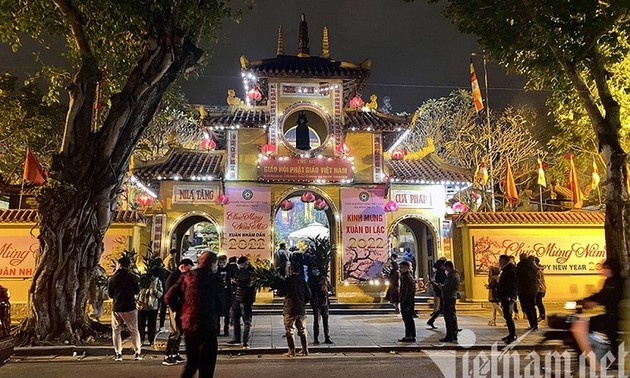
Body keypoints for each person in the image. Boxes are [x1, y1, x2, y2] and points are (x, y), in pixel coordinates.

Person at [165, 252, 224, 378]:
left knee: (192, 362)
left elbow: (169, 297)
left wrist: (182, 310)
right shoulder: (215, 280)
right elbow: (222, 304)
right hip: (208, 324)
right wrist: (219, 312)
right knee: (207, 364)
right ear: (213, 264)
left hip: (189, 324)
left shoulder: (186, 277)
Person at [571, 259, 625, 369]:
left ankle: (613, 356)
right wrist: (585, 300)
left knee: (608, 330)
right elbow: (601, 294)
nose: (603, 271)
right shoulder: (608, 281)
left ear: (612, 269)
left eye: (606, 268)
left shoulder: (620, 282)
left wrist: (596, 303)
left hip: (618, 315)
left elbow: (613, 297)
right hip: (609, 313)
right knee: (591, 323)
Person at [107, 256, 142, 361]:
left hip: (117, 307)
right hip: (130, 306)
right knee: (134, 330)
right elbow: (137, 291)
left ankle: (118, 353)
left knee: (116, 330)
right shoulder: (133, 277)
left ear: (119, 265)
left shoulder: (113, 278)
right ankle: (137, 352)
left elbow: (110, 294)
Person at [162, 258, 193, 366]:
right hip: (174, 307)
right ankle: (167, 355)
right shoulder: (175, 277)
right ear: (183, 266)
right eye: (188, 268)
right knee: (175, 331)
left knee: (180, 330)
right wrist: (173, 307)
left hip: (181, 308)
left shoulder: (182, 276)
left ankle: (175, 352)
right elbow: (169, 294)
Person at [278, 262, 312, 357]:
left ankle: (292, 351)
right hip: (301, 309)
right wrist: (302, 302)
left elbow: (280, 293)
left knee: (289, 329)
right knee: (302, 329)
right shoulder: (302, 281)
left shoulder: (287, 281)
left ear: (290, 270)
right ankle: (305, 350)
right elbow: (309, 295)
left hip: (290, 308)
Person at [228, 256, 256, 347]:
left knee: (246, 322)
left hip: (246, 300)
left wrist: (237, 281)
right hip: (236, 298)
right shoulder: (238, 270)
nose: (241, 266)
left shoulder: (251, 271)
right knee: (235, 319)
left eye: (242, 264)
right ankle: (237, 338)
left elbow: (246, 281)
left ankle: (245, 341)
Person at [137, 267, 164, 346]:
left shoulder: (157, 281)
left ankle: (147, 339)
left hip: (148, 305)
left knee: (146, 323)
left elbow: (160, 293)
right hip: (147, 305)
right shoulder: (146, 281)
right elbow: (160, 294)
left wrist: (156, 292)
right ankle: (146, 339)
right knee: (146, 323)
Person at [497, 254, 518, 344]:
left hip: (508, 296)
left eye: (500, 261)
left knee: (508, 315)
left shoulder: (510, 270)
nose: (499, 262)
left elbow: (512, 284)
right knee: (506, 315)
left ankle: (513, 335)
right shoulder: (506, 269)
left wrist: (509, 295)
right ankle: (511, 334)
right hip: (505, 295)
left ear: (505, 261)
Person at [308, 267, 332, 345]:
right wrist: (319, 286)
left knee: (326, 321)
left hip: (324, 303)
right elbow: (311, 290)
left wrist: (326, 286)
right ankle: (316, 338)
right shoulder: (311, 279)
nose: (315, 271)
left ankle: (327, 337)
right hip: (316, 303)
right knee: (316, 321)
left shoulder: (324, 279)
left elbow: (330, 289)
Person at [437, 261, 460, 342]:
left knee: (448, 317)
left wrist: (440, 286)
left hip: (448, 297)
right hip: (452, 296)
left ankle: (449, 335)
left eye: (446, 268)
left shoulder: (451, 275)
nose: (445, 270)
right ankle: (454, 334)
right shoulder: (456, 274)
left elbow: (447, 287)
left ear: (449, 267)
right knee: (452, 316)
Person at [516, 253, 539, 331]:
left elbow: (518, 278)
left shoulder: (520, 266)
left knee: (526, 308)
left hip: (523, 289)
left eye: (519, 257)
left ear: (521, 258)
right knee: (532, 307)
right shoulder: (533, 266)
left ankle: (532, 324)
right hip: (533, 289)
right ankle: (535, 325)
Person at [398, 261, 416, 343]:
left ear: (406, 267)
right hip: (410, 300)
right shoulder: (410, 276)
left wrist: (401, 299)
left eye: (401, 267)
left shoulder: (406, 277)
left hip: (406, 301)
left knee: (407, 318)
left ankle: (408, 336)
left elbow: (404, 291)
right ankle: (412, 335)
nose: (400, 269)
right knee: (409, 319)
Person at [427, 257, 447, 329]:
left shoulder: (438, 270)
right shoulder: (441, 272)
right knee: (444, 309)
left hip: (439, 290)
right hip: (441, 291)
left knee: (441, 308)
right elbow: (441, 281)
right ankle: (453, 327)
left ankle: (431, 320)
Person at [216, 255, 232, 337]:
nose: (222, 264)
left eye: (224, 262)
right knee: (217, 314)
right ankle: (217, 330)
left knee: (227, 314)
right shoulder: (216, 270)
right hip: (218, 294)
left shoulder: (230, 268)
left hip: (227, 293)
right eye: (220, 262)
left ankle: (226, 330)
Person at [154, 258, 170, 332]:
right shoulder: (165, 272)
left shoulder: (152, 271)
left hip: (155, 293)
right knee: (163, 310)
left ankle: (154, 327)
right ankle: (161, 326)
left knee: (155, 310)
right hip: (163, 292)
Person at [534, 257, 546, 322]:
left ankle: (542, 315)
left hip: (539, 289)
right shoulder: (537, 270)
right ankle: (541, 315)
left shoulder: (538, 271)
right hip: (538, 288)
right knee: (537, 302)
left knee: (539, 302)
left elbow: (538, 281)